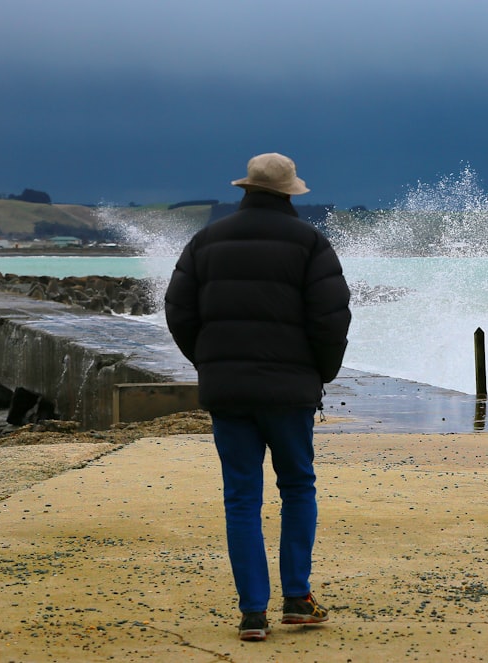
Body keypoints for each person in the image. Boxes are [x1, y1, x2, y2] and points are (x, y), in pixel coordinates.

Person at [164, 153, 352, 641]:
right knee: (297, 487)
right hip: (290, 393)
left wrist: (210, 365)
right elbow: (331, 319)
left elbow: (179, 313)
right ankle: (296, 598)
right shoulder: (311, 243)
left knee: (241, 499)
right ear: (291, 193)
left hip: (229, 392)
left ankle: (252, 613)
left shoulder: (206, 241)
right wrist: (320, 374)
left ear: (245, 190)